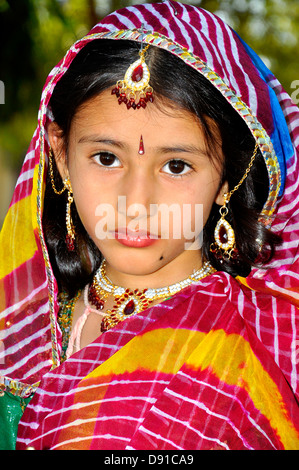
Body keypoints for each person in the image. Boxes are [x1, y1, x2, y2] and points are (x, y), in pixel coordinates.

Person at [0, 1, 298, 451]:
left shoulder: (236, 366)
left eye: (176, 166)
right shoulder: (24, 332)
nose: (135, 203)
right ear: (60, 155)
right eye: (106, 158)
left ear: (227, 180)